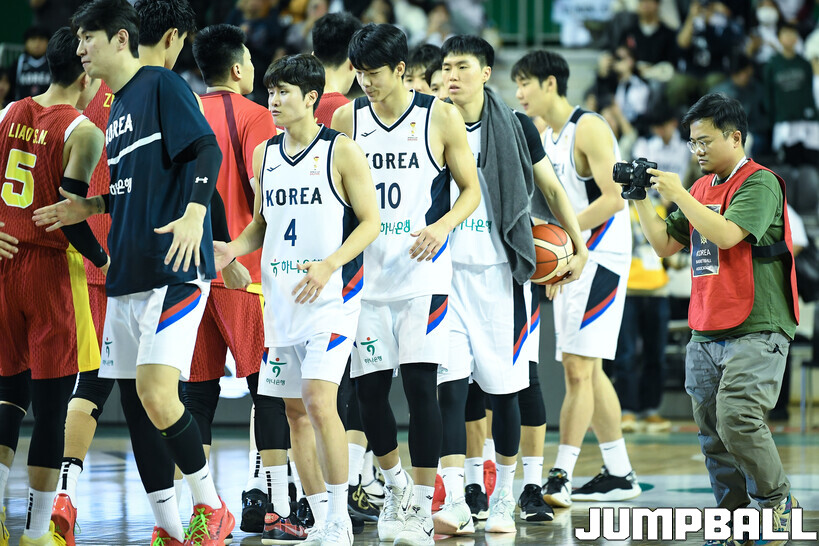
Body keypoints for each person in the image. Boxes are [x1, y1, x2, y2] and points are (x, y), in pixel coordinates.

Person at [35, 0, 234, 543]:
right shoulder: (118, 103)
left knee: (156, 391)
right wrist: (91, 206)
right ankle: (169, 528)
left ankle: (211, 505)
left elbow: (206, 151)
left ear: (120, 39)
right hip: (126, 274)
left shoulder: (161, 85)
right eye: (78, 39)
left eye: (89, 37)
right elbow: (131, 190)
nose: (80, 48)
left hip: (172, 270)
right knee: (138, 405)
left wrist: (195, 212)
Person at [214, 53, 381, 546]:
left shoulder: (342, 151)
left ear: (311, 98)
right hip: (281, 301)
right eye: (270, 91)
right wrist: (233, 247)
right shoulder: (264, 154)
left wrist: (330, 264)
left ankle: (341, 517)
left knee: (318, 400)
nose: (273, 100)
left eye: (284, 92)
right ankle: (320, 513)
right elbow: (263, 223)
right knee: (293, 410)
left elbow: (370, 222)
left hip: (331, 298)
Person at [332, 22, 481, 546]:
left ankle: (419, 503)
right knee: (369, 396)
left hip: (423, 275)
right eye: (358, 73)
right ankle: (396, 489)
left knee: (421, 389)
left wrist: (443, 226)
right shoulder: (347, 118)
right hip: (367, 278)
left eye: (374, 73)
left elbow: (470, 191)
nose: (365, 82)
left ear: (400, 69)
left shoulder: (439, 115)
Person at [432, 35, 587, 535]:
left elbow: (551, 188)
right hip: (445, 275)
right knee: (450, 391)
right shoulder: (431, 121)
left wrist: (578, 244)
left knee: (505, 395)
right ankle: (458, 497)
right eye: (446, 67)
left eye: (462, 66)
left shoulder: (516, 126)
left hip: (502, 278)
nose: (451, 75)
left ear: (485, 72)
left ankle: (503, 498)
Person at [633, 92, 799, 542]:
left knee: (737, 418)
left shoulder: (760, 183)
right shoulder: (701, 189)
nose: (697, 150)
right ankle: (733, 520)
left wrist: (678, 194)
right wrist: (640, 198)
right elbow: (663, 244)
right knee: (712, 434)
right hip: (706, 326)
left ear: (735, 137)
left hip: (757, 323)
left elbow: (727, 236)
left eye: (705, 141)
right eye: (693, 142)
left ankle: (776, 505)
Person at [512, 50, 641, 506]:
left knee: (578, 368)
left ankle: (561, 474)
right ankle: (620, 473)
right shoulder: (543, 134)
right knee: (586, 367)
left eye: (525, 83)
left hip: (601, 255)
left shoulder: (588, 127)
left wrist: (564, 238)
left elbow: (614, 198)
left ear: (550, 83)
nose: (519, 93)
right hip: (573, 257)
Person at [0, 26, 109, 546]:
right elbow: (70, 215)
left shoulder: (8, 112)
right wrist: (105, 259)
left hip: (5, 269)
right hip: (50, 275)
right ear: (85, 72)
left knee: (7, 397)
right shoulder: (83, 131)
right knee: (50, 409)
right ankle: (36, 532)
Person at [191, 22, 288, 539]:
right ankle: (273, 504)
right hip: (243, 273)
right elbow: (267, 194)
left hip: (191, 276)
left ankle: (202, 512)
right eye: (249, 60)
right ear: (236, 69)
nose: (254, 68)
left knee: (197, 398)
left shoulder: (185, 111)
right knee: (266, 391)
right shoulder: (254, 116)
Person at [309, 9, 384, 526]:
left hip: (285, 267)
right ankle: (355, 484)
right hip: (349, 267)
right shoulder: (352, 113)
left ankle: (282, 492)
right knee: (351, 384)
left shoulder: (289, 105)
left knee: (287, 394)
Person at [15, 26, 52, 101]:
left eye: (41, 39)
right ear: (26, 43)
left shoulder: (54, 63)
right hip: (22, 106)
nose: (37, 44)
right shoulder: (18, 63)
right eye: (33, 39)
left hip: (48, 106)